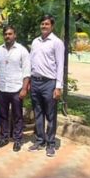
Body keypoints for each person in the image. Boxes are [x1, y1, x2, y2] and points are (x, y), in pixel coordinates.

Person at [29, 15, 65, 157]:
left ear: (52, 26)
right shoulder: (35, 42)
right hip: (35, 82)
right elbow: (31, 62)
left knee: (50, 114)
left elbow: (60, 65)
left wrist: (58, 86)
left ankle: (50, 144)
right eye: (42, 24)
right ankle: (40, 140)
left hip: (49, 83)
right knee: (38, 113)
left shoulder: (57, 42)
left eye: (47, 24)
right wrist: (29, 81)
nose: (44, 26)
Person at [0, 25, 31, 152]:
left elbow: (26, 72)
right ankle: (3, 137)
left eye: (10, 34)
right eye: (5, 34)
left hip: (16, 89)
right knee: (3, 115)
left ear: (15, 35)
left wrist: (24, 88)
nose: (7, 36)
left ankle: (18, 139)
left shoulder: (22, 50)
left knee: (17, 115)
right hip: (1, 88)